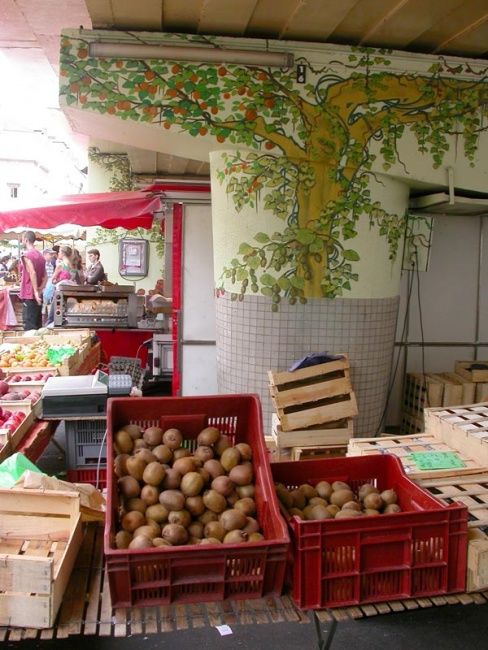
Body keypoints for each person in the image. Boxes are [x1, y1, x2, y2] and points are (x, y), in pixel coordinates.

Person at [19, 231, 46, 331]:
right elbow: (46, 276)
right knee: (37, 325)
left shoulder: (27, 255)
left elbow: (32, 272)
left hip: (29, 293)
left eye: (22, 239)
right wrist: (40, 288)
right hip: (37, 293)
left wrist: (35, 291)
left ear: (26, 240)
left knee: (29, 326)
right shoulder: (40, 255)